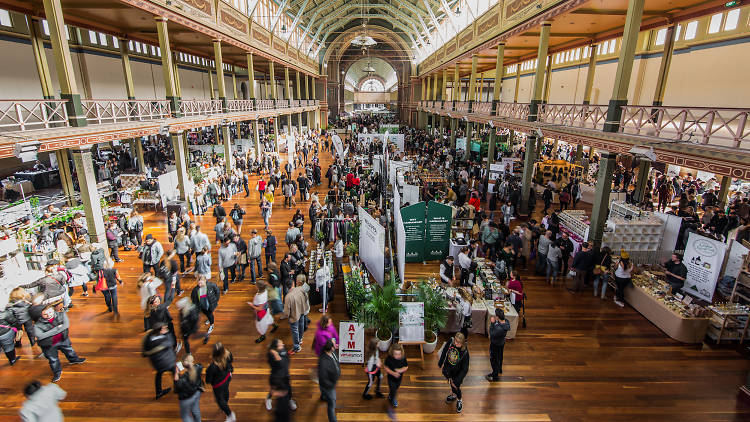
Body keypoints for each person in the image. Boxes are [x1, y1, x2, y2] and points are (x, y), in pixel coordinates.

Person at [34, 305, 85, 383]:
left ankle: (74, 360)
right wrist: (57, 329)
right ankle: (57, 372)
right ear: (41, 314)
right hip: (48, 345)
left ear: (53, 310)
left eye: (50, 312)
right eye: (45, 314)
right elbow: (40, 336)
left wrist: (49, 333)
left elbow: (66, 325)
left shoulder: (61, 314)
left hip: (63, 339)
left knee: (69, 350)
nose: (49, 315)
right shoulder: (37, 325)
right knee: (53, 360)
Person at [438, 332, 470, 413]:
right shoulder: (451, 341)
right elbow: (445, 350)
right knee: (450, 382)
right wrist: (441, 363)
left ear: (462, 343)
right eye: (455, 341)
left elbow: (465, 369)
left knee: (455, 386)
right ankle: (453, 395)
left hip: (457, 373)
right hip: (448, 370)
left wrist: (458, 380)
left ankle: (459, 400)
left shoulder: (465, 353)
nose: (456, 344)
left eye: (458, 343)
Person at [206, 342, 235, 422]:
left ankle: (230, 414)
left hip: (218, 385)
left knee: (220, 401)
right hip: (228, 377)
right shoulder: (228, 354)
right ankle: (225, 404)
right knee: (226, 391)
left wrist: (207, 370)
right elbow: (231, 360)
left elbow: (208, 381)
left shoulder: (212, 367)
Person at [265, 338, 297, 412]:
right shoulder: (271, 355)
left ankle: (290, 400)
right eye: (280, 344)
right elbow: (280, 364)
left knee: (289, 389)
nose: (283, 345)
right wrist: (276, 355)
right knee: (274, 388)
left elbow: (286, 361)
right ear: (276, 347)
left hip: (285, 375)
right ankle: (268, 398)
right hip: (276, 376)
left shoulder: (283, 351)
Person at [283, 275, 309, 354]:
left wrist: (286, 316)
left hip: (294, 316)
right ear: (293, 283)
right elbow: (306, 297)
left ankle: (297, 347)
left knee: (295, 330)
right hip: (302, 311)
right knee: (301, 325)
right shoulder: (301, 289)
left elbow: (286, 313)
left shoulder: (288, 297)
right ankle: (300, 339)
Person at [173, 354, 203, 422]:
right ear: (192, 361)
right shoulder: (198, 367)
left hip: (187, 398)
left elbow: (176, 389)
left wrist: (176, 373)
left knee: (185, 416)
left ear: (183, 365)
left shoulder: (183, 378)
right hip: (197, 392)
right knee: (195, 410)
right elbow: (199, 365)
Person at [317, 339, 340, 422]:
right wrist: (332, 385)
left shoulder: (332, 352)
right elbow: (323, 379)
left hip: (329, 383)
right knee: (331, 406)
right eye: (334, 344)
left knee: (323, 391)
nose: (336, 345)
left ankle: (323, 396)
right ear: (331, 348)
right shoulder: (323, 363)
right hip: (329, 387)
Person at [486, 308, 511, 382]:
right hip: (501, 343)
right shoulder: (506, 322)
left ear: (497, 317)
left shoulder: (499, 328)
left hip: (495, 344)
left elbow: (492, 333)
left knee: (493, 359)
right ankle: (499, 369)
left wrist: (492, 323)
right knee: (500, 357)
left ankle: (495, 375)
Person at [384, 344, 409, 408]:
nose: (397, 356)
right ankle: (393, 399)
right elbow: (386, 367)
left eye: (399, 354)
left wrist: (400, 370)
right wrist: (393, 373)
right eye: (395, 354)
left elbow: (406, 367)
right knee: (393, 389)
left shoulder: (403, 358)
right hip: (391, 377)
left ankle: (390, 395)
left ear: (402, 353)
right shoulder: (389, 358)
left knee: (396, 387)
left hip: (399, 378)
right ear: (392, 353)